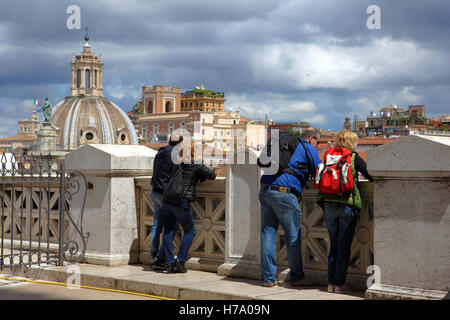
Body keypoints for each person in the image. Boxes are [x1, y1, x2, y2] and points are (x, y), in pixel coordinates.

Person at [259, 130, 321, 287]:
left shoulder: (284, 144)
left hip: (265, 189)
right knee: (293, 236)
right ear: (311, 138)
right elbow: (318, 174)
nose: (318, 145)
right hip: (285, 193)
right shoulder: (308, 148)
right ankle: (297, 276)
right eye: (318, 142)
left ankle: (268, 278)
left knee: (268, 234)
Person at [317, 130, 373, 294]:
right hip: (346, 205)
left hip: (328, 204)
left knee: (333, 244)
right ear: (352, 142)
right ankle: (339, 284)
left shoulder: (329, 156)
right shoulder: (353, 157)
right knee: (343, 246)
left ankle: (330, 283)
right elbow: (371, 174)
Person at [162, 141, 216, 273]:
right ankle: (180, 262)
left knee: (168, 232)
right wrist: (206, 165)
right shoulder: (196, 164)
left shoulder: (177, 162)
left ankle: (169, 263)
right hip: (181, 201)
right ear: (193, 152)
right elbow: (212, 176)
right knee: (190, 231)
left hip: (168, 199)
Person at [149, 134, 183, 270]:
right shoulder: (174, 155)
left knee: (156, 225)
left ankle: (153, 255)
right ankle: (162, 257)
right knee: (171, 228)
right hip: (166, 195)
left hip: (154, 191)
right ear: (179, 144)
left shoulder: (160, 152)